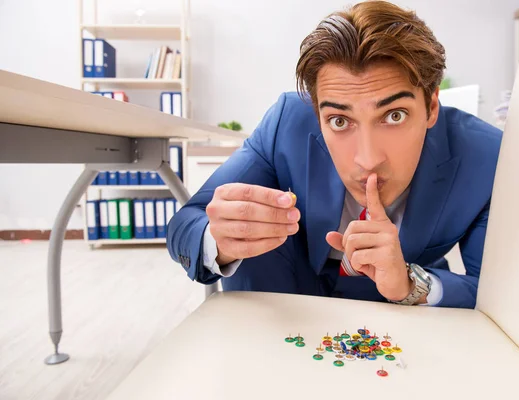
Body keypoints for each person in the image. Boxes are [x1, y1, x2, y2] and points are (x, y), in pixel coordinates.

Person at [167, 0, 501, 309]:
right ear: (317, 113)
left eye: (394, 115)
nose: (368, 159)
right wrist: (220, 239)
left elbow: (496, 298)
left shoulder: (485, 156)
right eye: (340, 121)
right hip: (283, 309)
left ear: (430, 107)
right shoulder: (288, 122)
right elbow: (186, 224)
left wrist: (411, 284)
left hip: (399, 326)